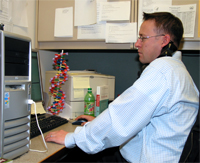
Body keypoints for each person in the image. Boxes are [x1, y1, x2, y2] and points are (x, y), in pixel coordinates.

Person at [45, 12, 199, 162]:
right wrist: (99, 123)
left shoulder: (162, 70)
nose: (137, 43)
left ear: (164, 41)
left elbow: (118, 121)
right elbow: (136, 119)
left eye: (143, 38)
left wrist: (72, 138)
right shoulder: (179, 72)